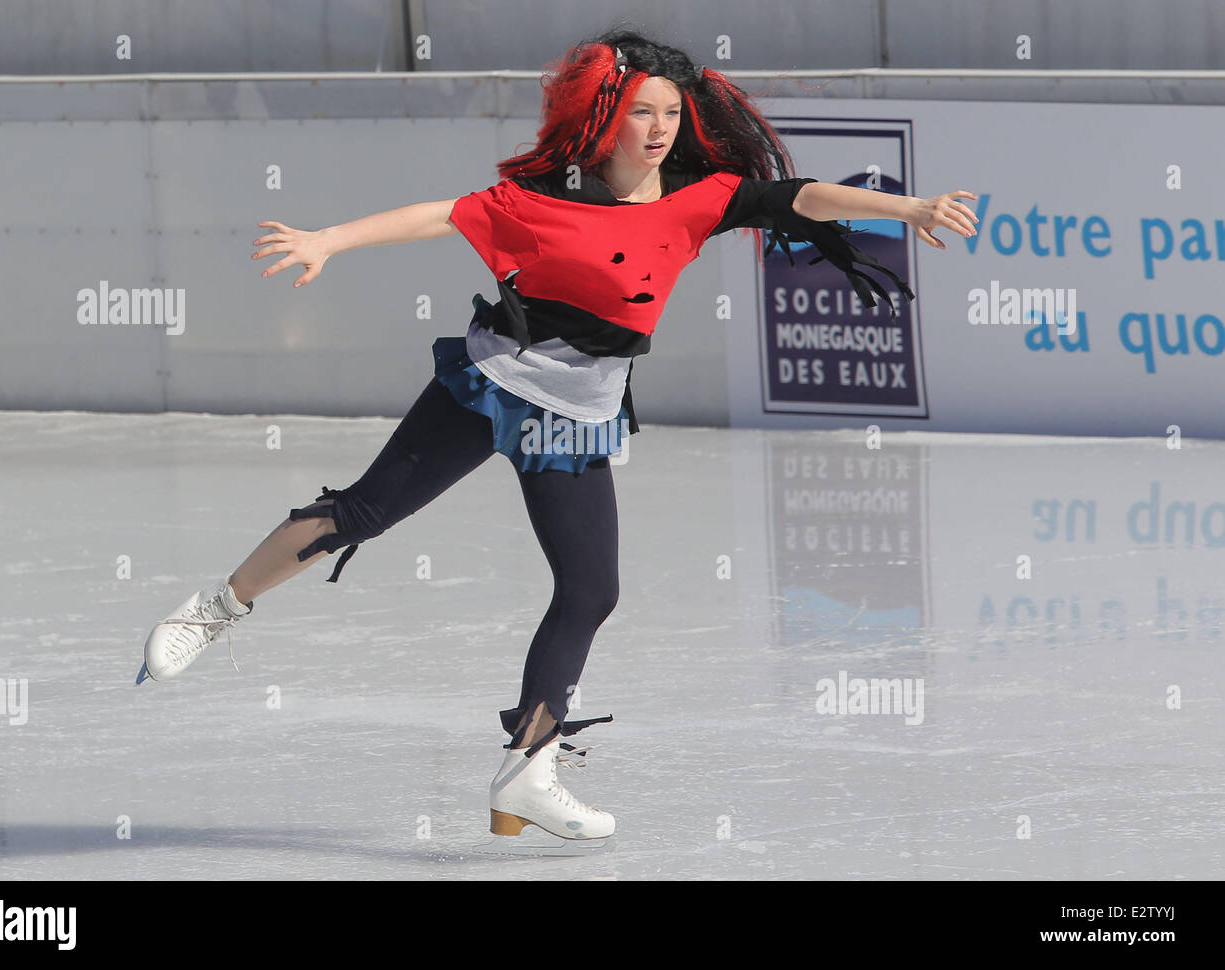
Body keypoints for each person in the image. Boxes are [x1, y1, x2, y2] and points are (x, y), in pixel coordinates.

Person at [134, 26, 977, 848]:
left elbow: (801, 198)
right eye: (643, 114)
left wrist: (909, 206)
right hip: (493, 387)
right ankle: (217, 607)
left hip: (578, 416)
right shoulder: (541, 199)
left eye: (672, 117)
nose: (659, 132)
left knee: (590, 590)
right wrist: (329, 241)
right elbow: (440, 216)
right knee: (363, 512)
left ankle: (525, 775)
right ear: (605, 114)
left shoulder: (702, 197)